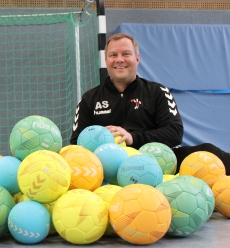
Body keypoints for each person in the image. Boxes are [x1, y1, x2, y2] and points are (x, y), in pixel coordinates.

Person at [70, 32, 230, 172]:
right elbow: (77, 142)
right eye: (113, 55)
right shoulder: (89, 99)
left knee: (208, 151)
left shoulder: (157, 92)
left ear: (137, 58)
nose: (119, 60)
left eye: (126, 54)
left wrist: (133, 138)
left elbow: (174, 132)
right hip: (108, 166)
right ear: (106, 60)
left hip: (158, 161)